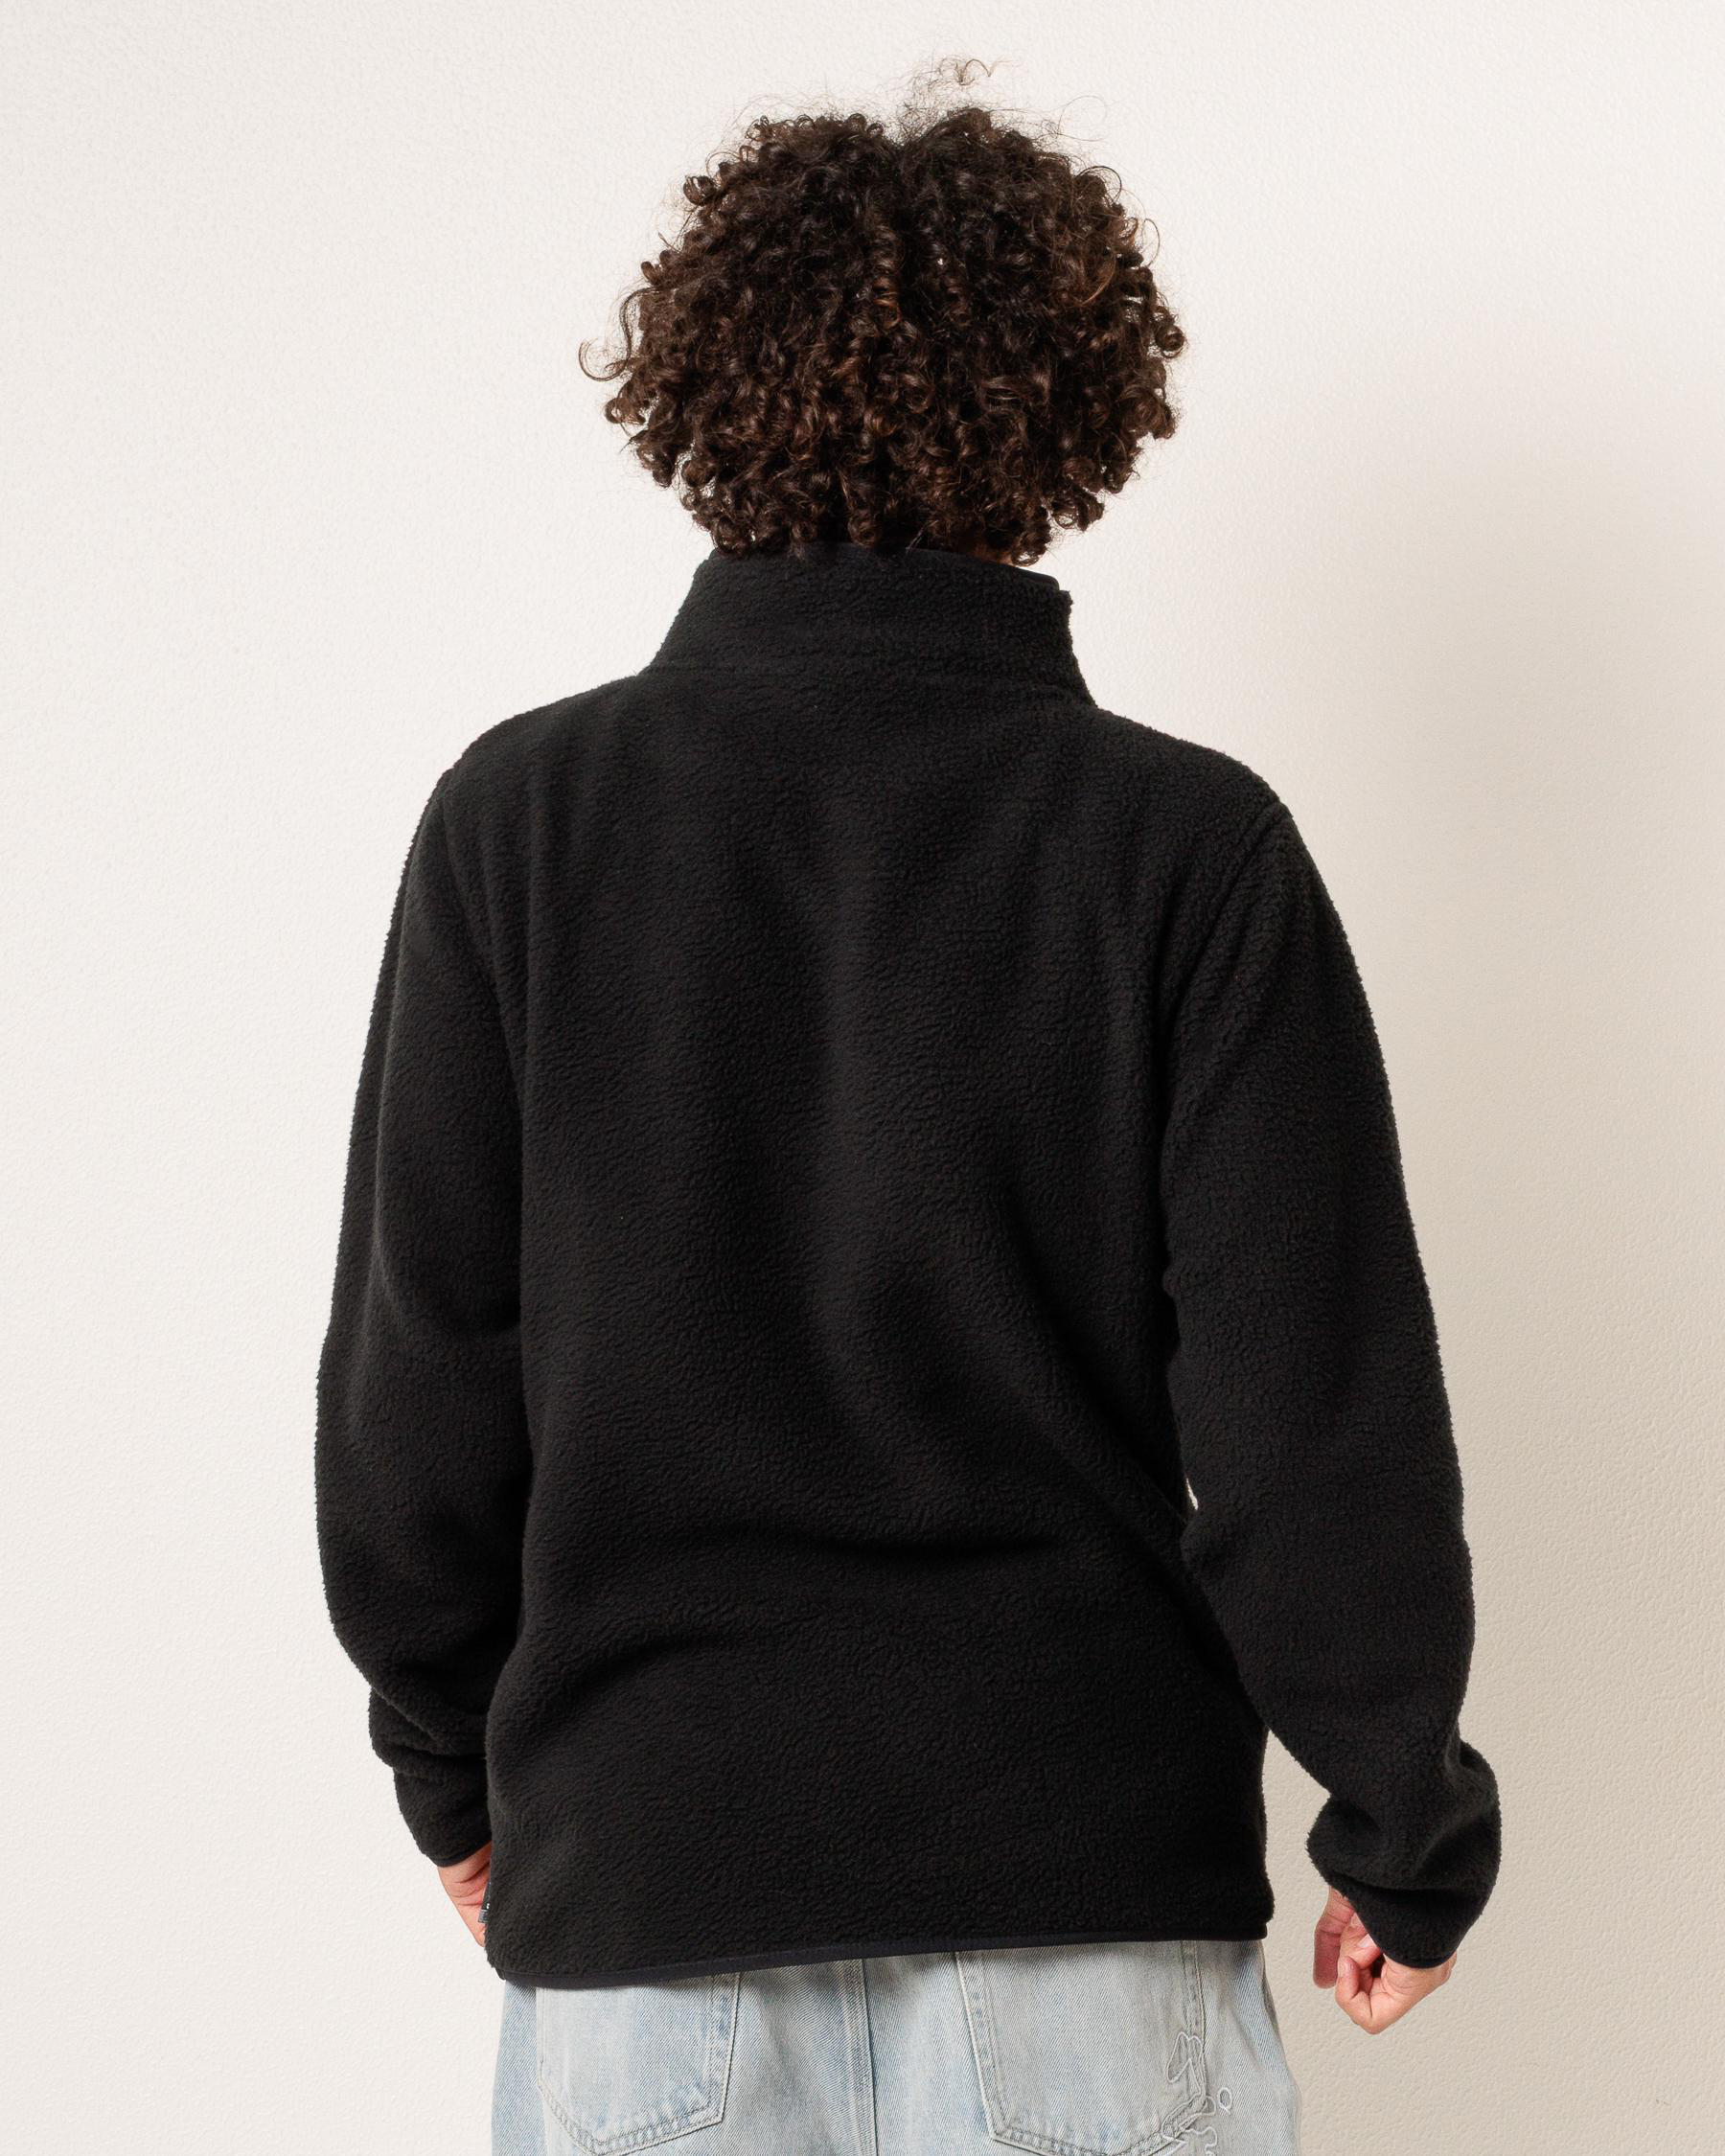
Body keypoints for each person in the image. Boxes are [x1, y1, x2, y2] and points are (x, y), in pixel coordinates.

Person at [314, 79, 1501, 2156]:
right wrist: (1403, 1819)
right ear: (1063, 414)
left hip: (649, 1903)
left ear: (710, 393)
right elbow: (1310, 1405)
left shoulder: (523, 826)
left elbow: (422, 1383)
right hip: (1087, 1910)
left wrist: (450, 1770)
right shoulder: (1185, 849)